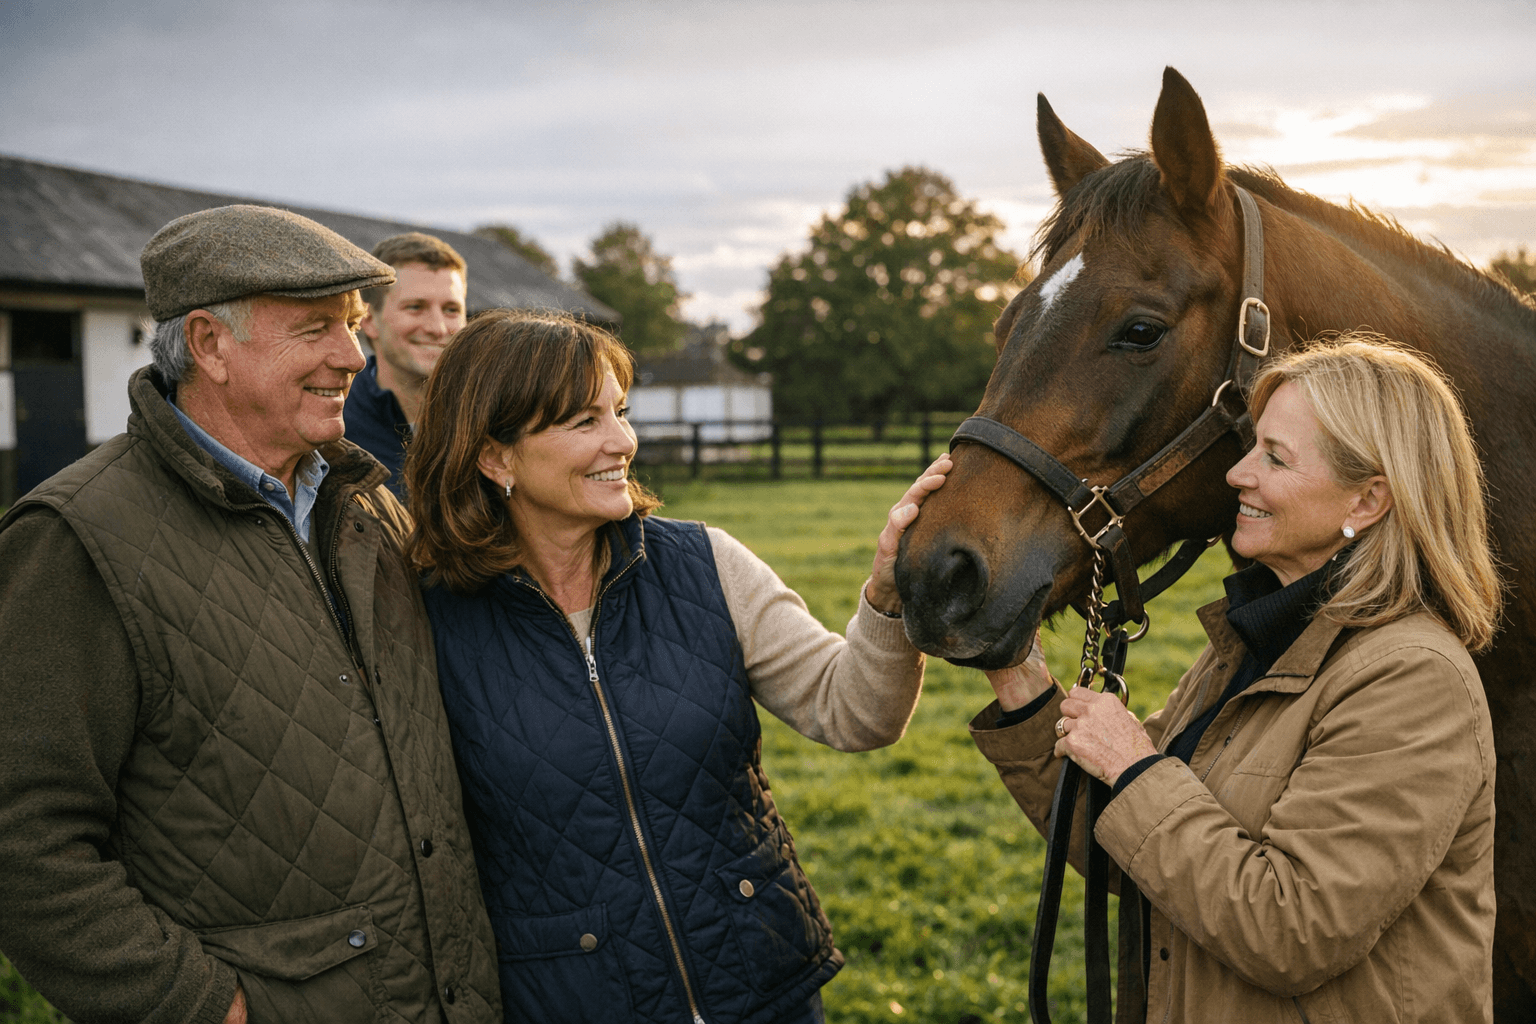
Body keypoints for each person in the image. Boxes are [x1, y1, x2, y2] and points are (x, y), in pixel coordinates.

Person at [0, 206, 500, 1024]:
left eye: (351, 326)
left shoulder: (365, 500)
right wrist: (207, 1008)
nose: (353, 355)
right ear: (208, 345)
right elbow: (23, 840)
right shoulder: (77, 538)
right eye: (316, 330)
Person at [405, 309, 942, 1024]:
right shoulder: (426, 619)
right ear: (494, 456)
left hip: (761, 988)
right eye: (583, 422)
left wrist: (884, 596)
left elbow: (858, 712)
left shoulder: (705, 563)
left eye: (619, 412)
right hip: (568, 1005)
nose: (622, 441)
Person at [970, 337, 1501, 1022]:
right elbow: (1128, 845)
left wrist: (1134, 767)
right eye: (1253, 447)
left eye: (1274, 457)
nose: (1236, 474)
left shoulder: (1412, 681)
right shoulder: (1255, 643)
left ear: (1368, 501)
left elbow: (1293, 930)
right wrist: (1019, 680)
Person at [347, 231, 469, 497]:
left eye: (451, 310)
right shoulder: (334, 424)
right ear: (368, 319)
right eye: (415, 307)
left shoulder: (494, 416)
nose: (438, 328)